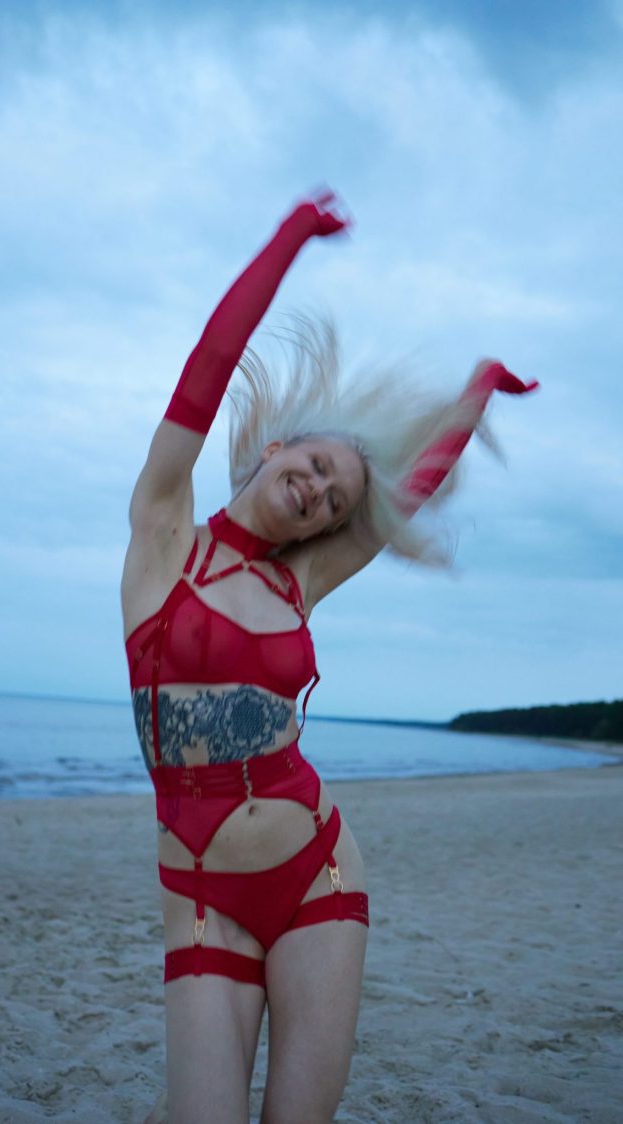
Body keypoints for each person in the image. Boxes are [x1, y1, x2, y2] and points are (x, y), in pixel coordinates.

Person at [121, 191, 537, 1124]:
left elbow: (410, 497)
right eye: (310, 469)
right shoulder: (165, 538)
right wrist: (289, 238)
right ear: (273, 450)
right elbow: (206, 370)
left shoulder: (293, 587)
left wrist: (473, 396)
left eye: (334, 500)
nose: (315, 493)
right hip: (199, 895)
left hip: (317, 873)